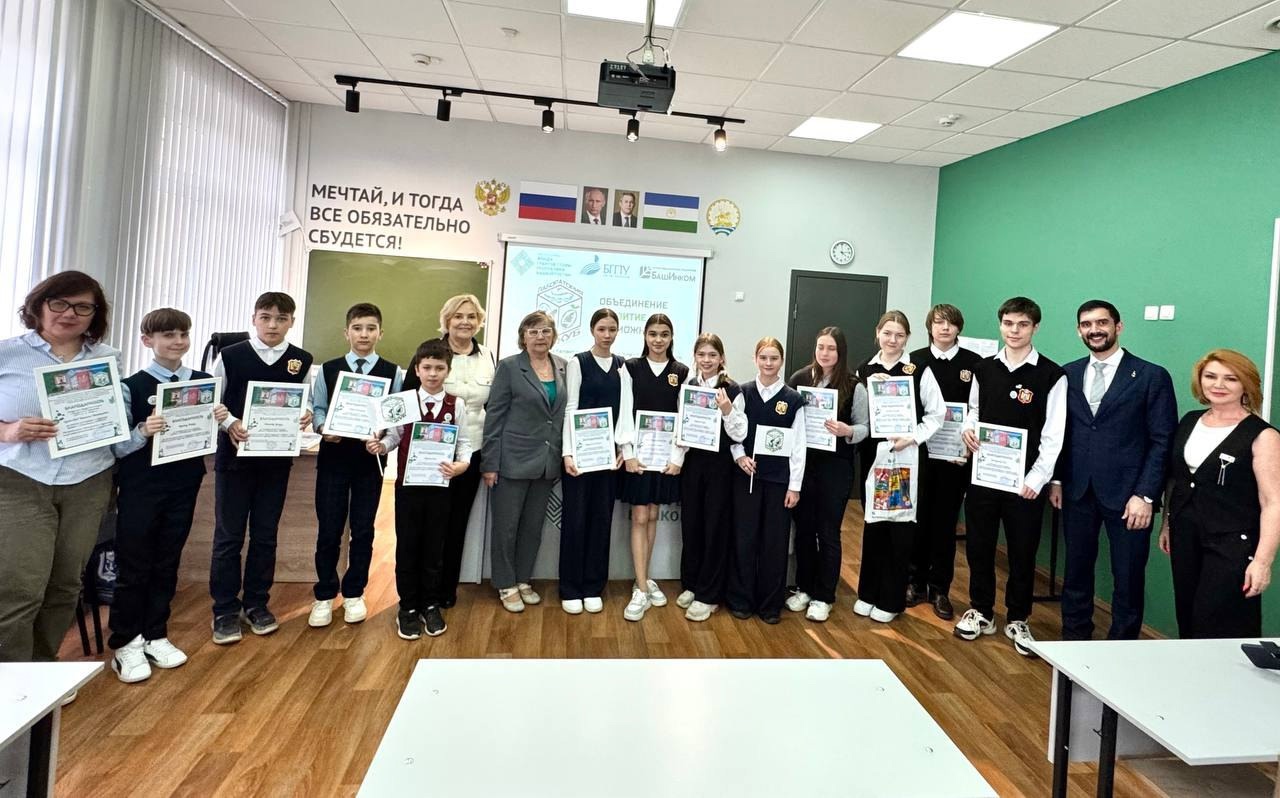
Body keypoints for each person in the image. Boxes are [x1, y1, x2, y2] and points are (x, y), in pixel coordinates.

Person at [0, 271, 117, 665]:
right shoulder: (7, 352)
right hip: (20, 480)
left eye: (83, 307)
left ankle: (42, 670)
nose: (69, 314)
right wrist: (8, 430)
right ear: (39, 305)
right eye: (60, 303)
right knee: (19, 587)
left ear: (95, 315)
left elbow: (117, 420)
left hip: (88, 481)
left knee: (66, 585)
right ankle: (12, 680)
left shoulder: (107, 358)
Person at [108, 308, 229, 683]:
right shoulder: (130, 386)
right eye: (168, 335)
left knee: (167, 561)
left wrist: (219, 419)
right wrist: (143, 431)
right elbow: (117, 448)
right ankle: (125, 641)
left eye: (183, 334)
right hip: (141, 486)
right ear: (148, 341)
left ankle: (155, 633)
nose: (177, 342)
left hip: (184, 483)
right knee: (134, 564)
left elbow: (207, 436)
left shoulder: (204, 382)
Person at [1050, 300, 1177, 640]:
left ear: (1118, 327)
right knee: (1075, 572)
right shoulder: (1067, 373)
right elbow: (1060, 432)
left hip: (1129, 496)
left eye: (1102, 323)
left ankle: (1121, 648)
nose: (1094, 330)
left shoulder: (1151, 376)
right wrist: (1057, 479)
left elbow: (1162, 441)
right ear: (1079, 330)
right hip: (1077, 490)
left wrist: (1145, 495)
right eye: (1086, 324)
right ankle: (1074, 641)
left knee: (1128, 577)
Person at [957, 297, 1066, 656]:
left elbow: (1054, 434)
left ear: (1035, 327)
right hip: (985, 475)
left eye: (1022, 324)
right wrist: (968, 429)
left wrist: (1037, 478)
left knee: (1022, 552)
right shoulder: (983, 368)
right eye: (1008, 323)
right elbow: (974, 411)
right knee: (979, 546)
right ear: (1000, 325)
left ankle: (1018, 617)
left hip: (1025, 484)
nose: (1014, 331)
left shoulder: (1052, 375)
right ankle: (981, 611)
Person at [210, 292, 313, 645]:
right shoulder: (230, 355)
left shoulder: (301, 359)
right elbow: (213, 402)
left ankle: (256, 603)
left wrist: (305, 414)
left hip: (275, 461)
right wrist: (230, 424)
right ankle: (225, 609)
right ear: (254, 318)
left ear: (291, 322)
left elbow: (304, 402)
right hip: (234, 461)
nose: (273, 325)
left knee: (265, 535)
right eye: (266, 317)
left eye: (281, 319)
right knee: (229, 536)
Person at [1160, 350, 1278, 639]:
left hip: (1232, 543)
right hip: (1185, 535)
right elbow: (1177, 479)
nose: (1218, 385)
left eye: (1231, 378)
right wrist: (1167, 524)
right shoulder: (1190, 421)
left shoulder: (1263, 435)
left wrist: (1262, 562)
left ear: (1246, 384)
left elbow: (1273, 502)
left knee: (1218, 620)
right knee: (1187, 615)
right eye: (1210, 376)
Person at [308, 303, 403, 628]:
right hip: (333, 460)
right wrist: (324, 428)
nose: (364, 334)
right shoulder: (328, 369)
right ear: (346, 332)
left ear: (380, 333)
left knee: (363, 531)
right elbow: (318, 409)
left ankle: (354, 592)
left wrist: (384, 440)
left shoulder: (393, 372)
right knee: (329, 530)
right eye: (358, 328)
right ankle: (324, 595)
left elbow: (394, 420)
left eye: (371, 328)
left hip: (369, 463)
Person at [369, 339, 472, 639]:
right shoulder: (404, 402)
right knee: (408, 546)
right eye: (427, 367)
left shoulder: (456, 404)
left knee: (434, 548)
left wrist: (462, 465)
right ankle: (408, 607)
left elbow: (464, 442)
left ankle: (430, 604)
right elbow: (394, 437)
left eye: (439, 368)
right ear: (417, 369)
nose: (433, 374)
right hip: (408, 488)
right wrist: (381, 446)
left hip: (440, 487)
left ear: (448, 371)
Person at [853, 312, 945, 624]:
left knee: (899, 530)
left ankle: (891, 599)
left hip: (906, 459)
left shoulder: (918, 369)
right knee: (874, 525)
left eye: (900, 335)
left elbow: (937, 414)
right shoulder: (864, 369)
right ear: (877, 333)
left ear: (907, 338)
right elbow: (858, 414)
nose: (893, 340)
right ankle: (868, 593)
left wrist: (913, 437)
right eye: (887, 333)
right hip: (875, 458)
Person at [481, 311, 566, 613]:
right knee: (506, 528)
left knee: (532, 527)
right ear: (523, 337)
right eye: (533, 331)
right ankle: (505, 583)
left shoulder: (562, 366)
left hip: (546, 462)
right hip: (511, 461)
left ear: (553, 335)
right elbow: (494, 416)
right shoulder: (509, 367)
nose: (540, 337)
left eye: (545, 331)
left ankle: (522, 578)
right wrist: (490, 463)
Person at [786, 327, 869, 622]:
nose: (825, 353)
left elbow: (865, 427)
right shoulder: (799, 379)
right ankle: (805, 588)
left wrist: (847, 431)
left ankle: (824, 596)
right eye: (821, 347)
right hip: (804, 466)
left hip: (836, 468)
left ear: (840, 352)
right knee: (804, 530)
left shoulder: (854, 385)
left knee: (828, 531)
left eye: (831, 348)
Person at [907, 304, 982, 620]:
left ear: (958, 328)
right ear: (930, 327)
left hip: (954, 458)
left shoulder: (974, 364)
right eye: (939, 322)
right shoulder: (914, 360)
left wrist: (970, 437)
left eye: (951, 323)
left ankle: (940, 589)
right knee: (917, 520)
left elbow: (977, 408)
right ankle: (914, 582)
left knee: (945, 524)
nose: (945, 328)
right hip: (920, 453)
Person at [560, 309, 634, 614]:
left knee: (601, 522)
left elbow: (625, 412)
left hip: (608, 458)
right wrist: (567, 452)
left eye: (612, 329)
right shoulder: (578, 362)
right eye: (602, 328)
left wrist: (623, 450)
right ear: (592, 330)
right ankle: (570, 588)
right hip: (579, 456)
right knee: (575, 521)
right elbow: (570, 407)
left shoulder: (623, 366)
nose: (607, 334)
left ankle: (593, 586)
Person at [728, 337, 806, 624]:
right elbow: (734, 431)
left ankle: (770, 605)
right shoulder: (743, 393)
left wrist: (794, 486)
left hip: (778, 482)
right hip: (747, 478)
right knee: (744, 539)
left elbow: (799, 446)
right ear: (755, 359)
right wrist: (739, 456)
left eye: (774, 358)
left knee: (774, 543)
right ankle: (741, 599)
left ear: (781, 361)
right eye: (763, 357)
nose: (768, 363)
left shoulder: (793, 399)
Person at [620, 314, 689, 621]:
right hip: (638, 457)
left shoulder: (681, 372)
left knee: (652, 516)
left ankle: (645, 579)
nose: (658, 339)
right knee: (639, 516)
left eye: (664, 334)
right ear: (645, 336)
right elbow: (624, 412)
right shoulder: (631, 368)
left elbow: (684, 416)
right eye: (653, 334)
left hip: (664, 460)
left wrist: (677, 457)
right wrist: (628, 452)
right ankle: (640, 587)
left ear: (671, 338)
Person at [676, 333, 747, 622]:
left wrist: (727, 409)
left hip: (720, 466)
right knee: (692, 525)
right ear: (695, 357)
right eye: (701, 354)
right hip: (693, 464)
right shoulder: (689, 387)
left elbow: (740, 433)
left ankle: (710, 595)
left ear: (721, 358)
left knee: (715, 528)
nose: (706, 360)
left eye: (712, 355)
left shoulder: (732, 389)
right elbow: (682, 425)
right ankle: (692, 584)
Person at [433, 294, 497, 608]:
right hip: (436, 451)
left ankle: (447, 590)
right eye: (458, 316)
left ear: (479, 321)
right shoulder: (432, 351)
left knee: (458, 522)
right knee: (434, 522)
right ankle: (426, 589)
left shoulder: (488, 355)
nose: (465, 322)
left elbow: (493, 406)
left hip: (474, 449)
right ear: (447, 320)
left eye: (472, 316)